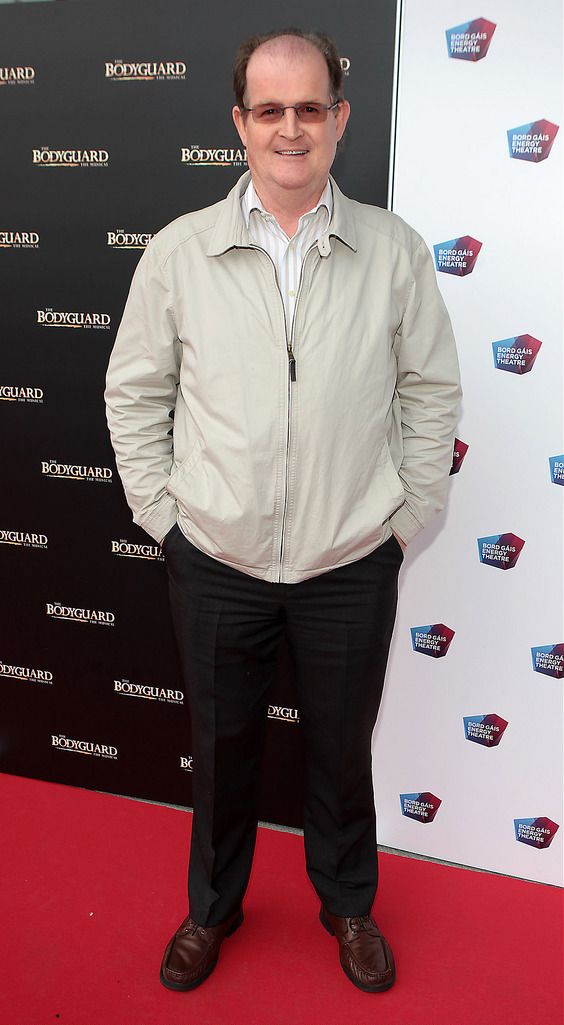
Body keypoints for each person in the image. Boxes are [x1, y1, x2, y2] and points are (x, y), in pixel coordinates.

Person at [105, 28, 461, 994]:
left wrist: (406, 514)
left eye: (311, 108)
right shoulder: (181, 252)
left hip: (352, 555)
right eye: (270, 110)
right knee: (221, 751)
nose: (291, 128)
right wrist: (166, 520)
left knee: (342, 747)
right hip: (214, 554)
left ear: (341, 119)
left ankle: (348, 902)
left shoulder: (393, 252)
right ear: (240, 124)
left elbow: (430, 394)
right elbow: (135, 395)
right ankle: (211, 910)